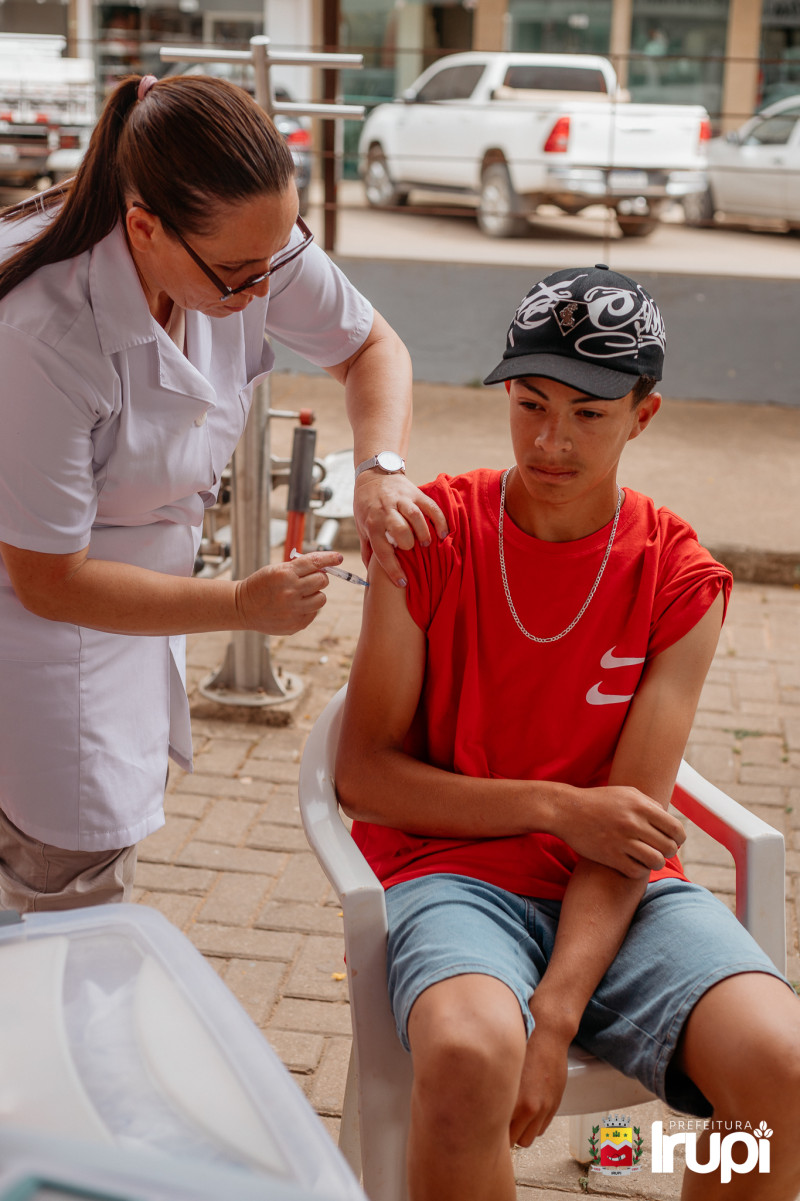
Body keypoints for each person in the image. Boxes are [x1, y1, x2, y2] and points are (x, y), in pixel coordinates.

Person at [336, 265, 800, 1201]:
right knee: (469, 1059)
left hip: (621, 894)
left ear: (644, 414)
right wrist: (555, 804)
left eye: (590, 413)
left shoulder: (679, 577)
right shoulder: (432, 536)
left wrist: (555, 1015)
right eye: (530, 401)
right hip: (452, 871)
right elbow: (365, 773)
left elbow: (626, 830)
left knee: (782, 1074)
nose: (551, 440)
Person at [0, 72, 446, 913]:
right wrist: (242, 602)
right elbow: (48, 581)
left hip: (119, 606)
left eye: (276, 260)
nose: (262, 291)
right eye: (241, 274)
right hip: (35, 638)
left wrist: (379, 467)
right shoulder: (44, 332)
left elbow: (371, 347)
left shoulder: (244, 244)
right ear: (144, 229)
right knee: (63, 911)